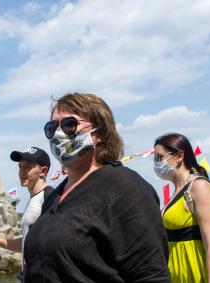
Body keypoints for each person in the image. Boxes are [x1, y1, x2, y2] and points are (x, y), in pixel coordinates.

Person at [23, 93, 170, 282]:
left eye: (69, 124)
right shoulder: (55, 196)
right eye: (52, 128)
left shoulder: (126, 188)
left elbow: (151, 275)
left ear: (99, 134)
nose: (59, 134)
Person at [154, 133, 210, 282]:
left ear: (179, 156)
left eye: (160, 157)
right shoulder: (177, 191)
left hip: (196, 272)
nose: (156, 163)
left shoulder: (199, 187)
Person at [0, 147, 53, 280]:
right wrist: (0, 242)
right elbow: (28, 241)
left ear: (43, 171)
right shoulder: (34, 199)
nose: (21, 172)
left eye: (27, 168)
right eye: (20, 167)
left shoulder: (49, 198)